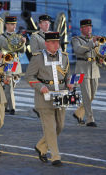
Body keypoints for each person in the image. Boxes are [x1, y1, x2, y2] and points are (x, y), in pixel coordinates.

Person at [25, 32, 73, 167]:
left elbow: (67, 74)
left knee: (60, 126)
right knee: (50, 128)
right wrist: (40, 87)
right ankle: (55, 156)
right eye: (53, 42)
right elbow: (29, 77)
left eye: (57, 42)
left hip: (61, 96)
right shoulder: (37, 58)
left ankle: (41, 146)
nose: (56, 44)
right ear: (46, 43)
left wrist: (70, 82)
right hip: (44, 98)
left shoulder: (64, 57)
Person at [71, 19, 100, 127]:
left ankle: (78, 113)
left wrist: (101, 58)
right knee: (87, 96)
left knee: (92, 96)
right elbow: (79, 50)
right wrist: (92, 42)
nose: (89, 29)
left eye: (90, 27)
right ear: (81, 29)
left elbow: (98, 53)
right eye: (87, 27)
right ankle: (90, 118)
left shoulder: (96, 40)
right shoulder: (76, 39)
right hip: (82, 69)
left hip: (94, 69)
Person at [0, 16, 26, 115]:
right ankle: (12, 107)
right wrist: (1, 54)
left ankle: (4, 106)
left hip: (15, 63)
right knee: (9, 85)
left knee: (12, 84)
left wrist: (23, 43)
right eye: (12, 24)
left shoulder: (18, 37)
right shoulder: (1, 37)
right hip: (7, 63)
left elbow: (22, 51)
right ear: (7, 25)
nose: (14, 26)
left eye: (15, 24)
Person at [29, 14, 52, 117]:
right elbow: (34, 51)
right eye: (44, 23)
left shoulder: (53, 35)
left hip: (52, 64)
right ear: (39, 24)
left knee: (50, 85)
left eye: (48, 23)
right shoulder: (35, 36)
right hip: (40, 64)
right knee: (41, 86)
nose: (47, 25)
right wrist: (47, 51)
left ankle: (43, 107)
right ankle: (39, 107)